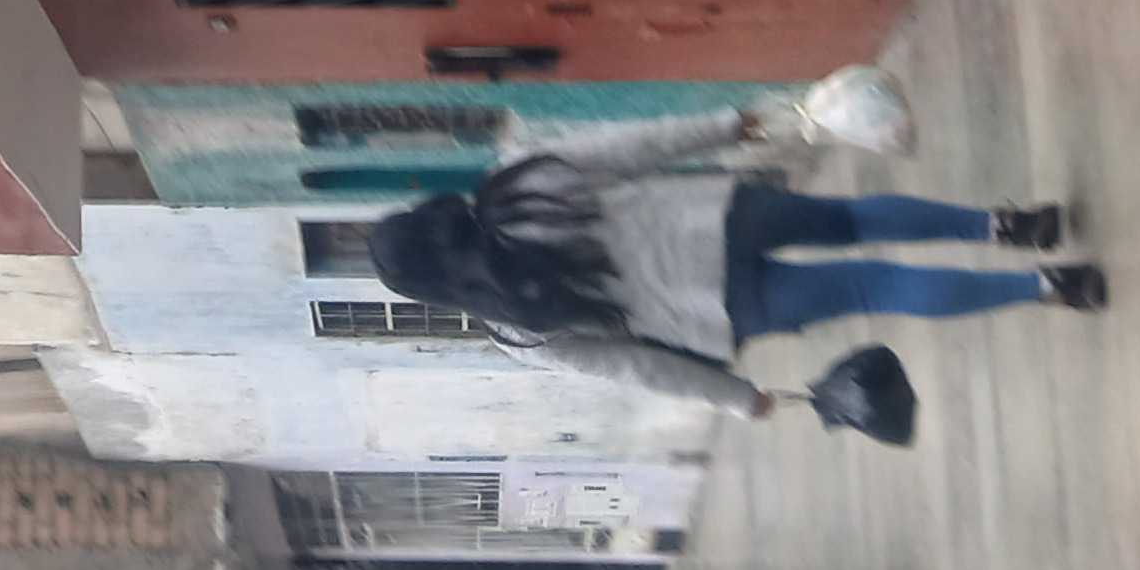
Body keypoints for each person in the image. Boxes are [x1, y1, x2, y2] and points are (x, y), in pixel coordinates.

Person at [364, 99, 1098, 419]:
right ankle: (1005, 224)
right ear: (428, 216)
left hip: (727, 307)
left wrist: (738, 398)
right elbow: (631, 148)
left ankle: (1048, 287)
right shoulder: (512, 185)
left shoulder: (518, 331)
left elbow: (638, 367)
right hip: (721, 215)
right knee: (854, 218)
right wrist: (727, 125)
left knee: (876, 287)